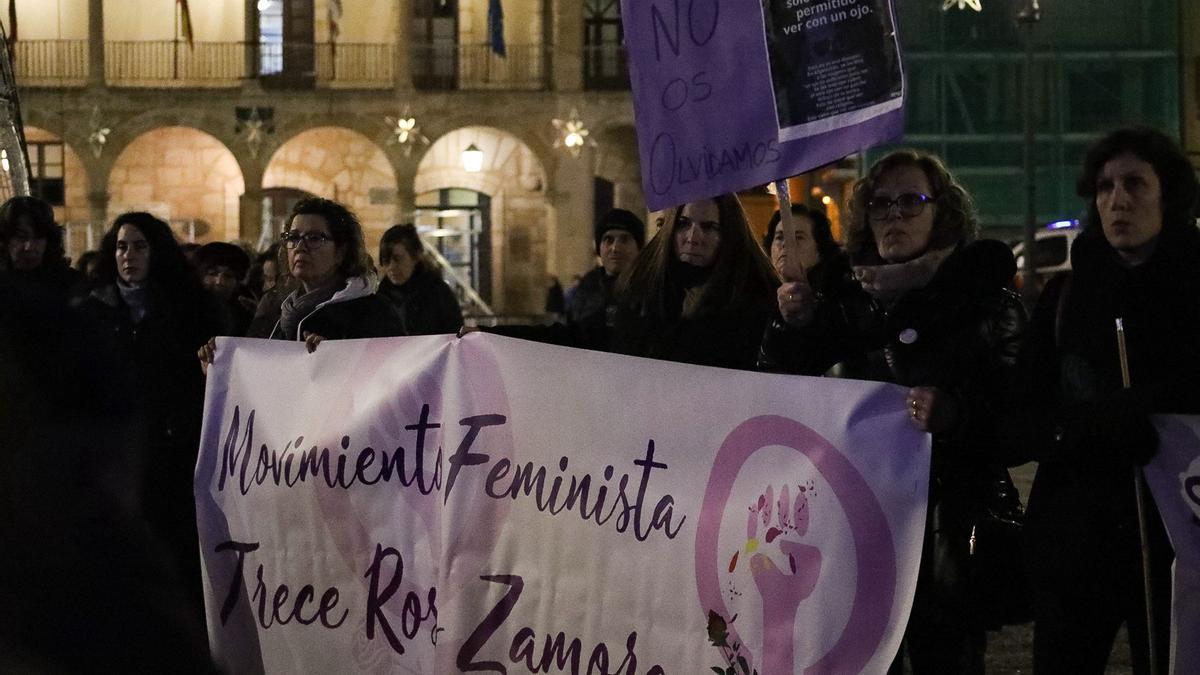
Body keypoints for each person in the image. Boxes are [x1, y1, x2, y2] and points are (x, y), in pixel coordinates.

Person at [761, 150, 1026, 673]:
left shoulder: (986, 304)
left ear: (941, 212)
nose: (894, 215)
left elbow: (1023, 422)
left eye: (911, 201)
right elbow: (780, 384)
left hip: (946, 529)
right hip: (852, 527)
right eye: (881, 204)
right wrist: (795, 325)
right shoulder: (847, 300)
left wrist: (955, 415)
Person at [1012, 127, 1200, 675]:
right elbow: (1024, 413)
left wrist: (1145, 409)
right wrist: (1083, 429)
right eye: (1104, 187)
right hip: (1078, 540)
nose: (1117, 200)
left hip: (1175, 538)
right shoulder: (1067, 297)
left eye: (1136, 185)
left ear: (1170, 196)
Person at [74, 212, 227, 615]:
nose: (129, 255)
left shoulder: (190, 310)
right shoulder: (91, 312)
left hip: (173, 456)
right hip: (113, 458)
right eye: (122, 246)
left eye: (140, 246)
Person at [203, 198, 403, 359]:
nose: (300, 247)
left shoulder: (374, 312)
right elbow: (251, 374)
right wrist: (218, 365)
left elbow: (390, 380)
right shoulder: (273, 306)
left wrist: (338, 360)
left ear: (341, 251)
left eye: (314, 238)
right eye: (293, 237)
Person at [612, 194, 778, 370]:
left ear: (729, 234)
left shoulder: (755, 296)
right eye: (683, 224)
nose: (692, 238)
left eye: (708, 227)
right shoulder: (641, 287)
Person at [484, 208, 645, 352]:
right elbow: (564, 335)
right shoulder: (587, 289)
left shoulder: (653, 289)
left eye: (624, 240)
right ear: (599, 248)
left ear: (639, 247)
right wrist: (486, 334)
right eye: (608, 240)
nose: (615, 248)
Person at [756, 203, 862, 373]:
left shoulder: (838, 300)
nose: (785, 245)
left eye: (798, 237)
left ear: (819, 249)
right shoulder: (756, 295)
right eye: (779, 237)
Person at [375, 223, 463, 335]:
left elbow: (453, 334)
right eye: (386, 260)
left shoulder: (438, 294)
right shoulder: (381, 298)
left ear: (415, 256)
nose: (391, 267)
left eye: (398, 259)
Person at [0, 195, 83, 302]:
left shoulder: (71, 285)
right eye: (21, 237)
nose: (29, 247)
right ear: (4, 239)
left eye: (38, 237)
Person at [193, 241, 253, 336]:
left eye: (228, 276)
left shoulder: (245, 315)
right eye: (212, 274)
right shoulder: (186, 311)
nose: (219, 281)